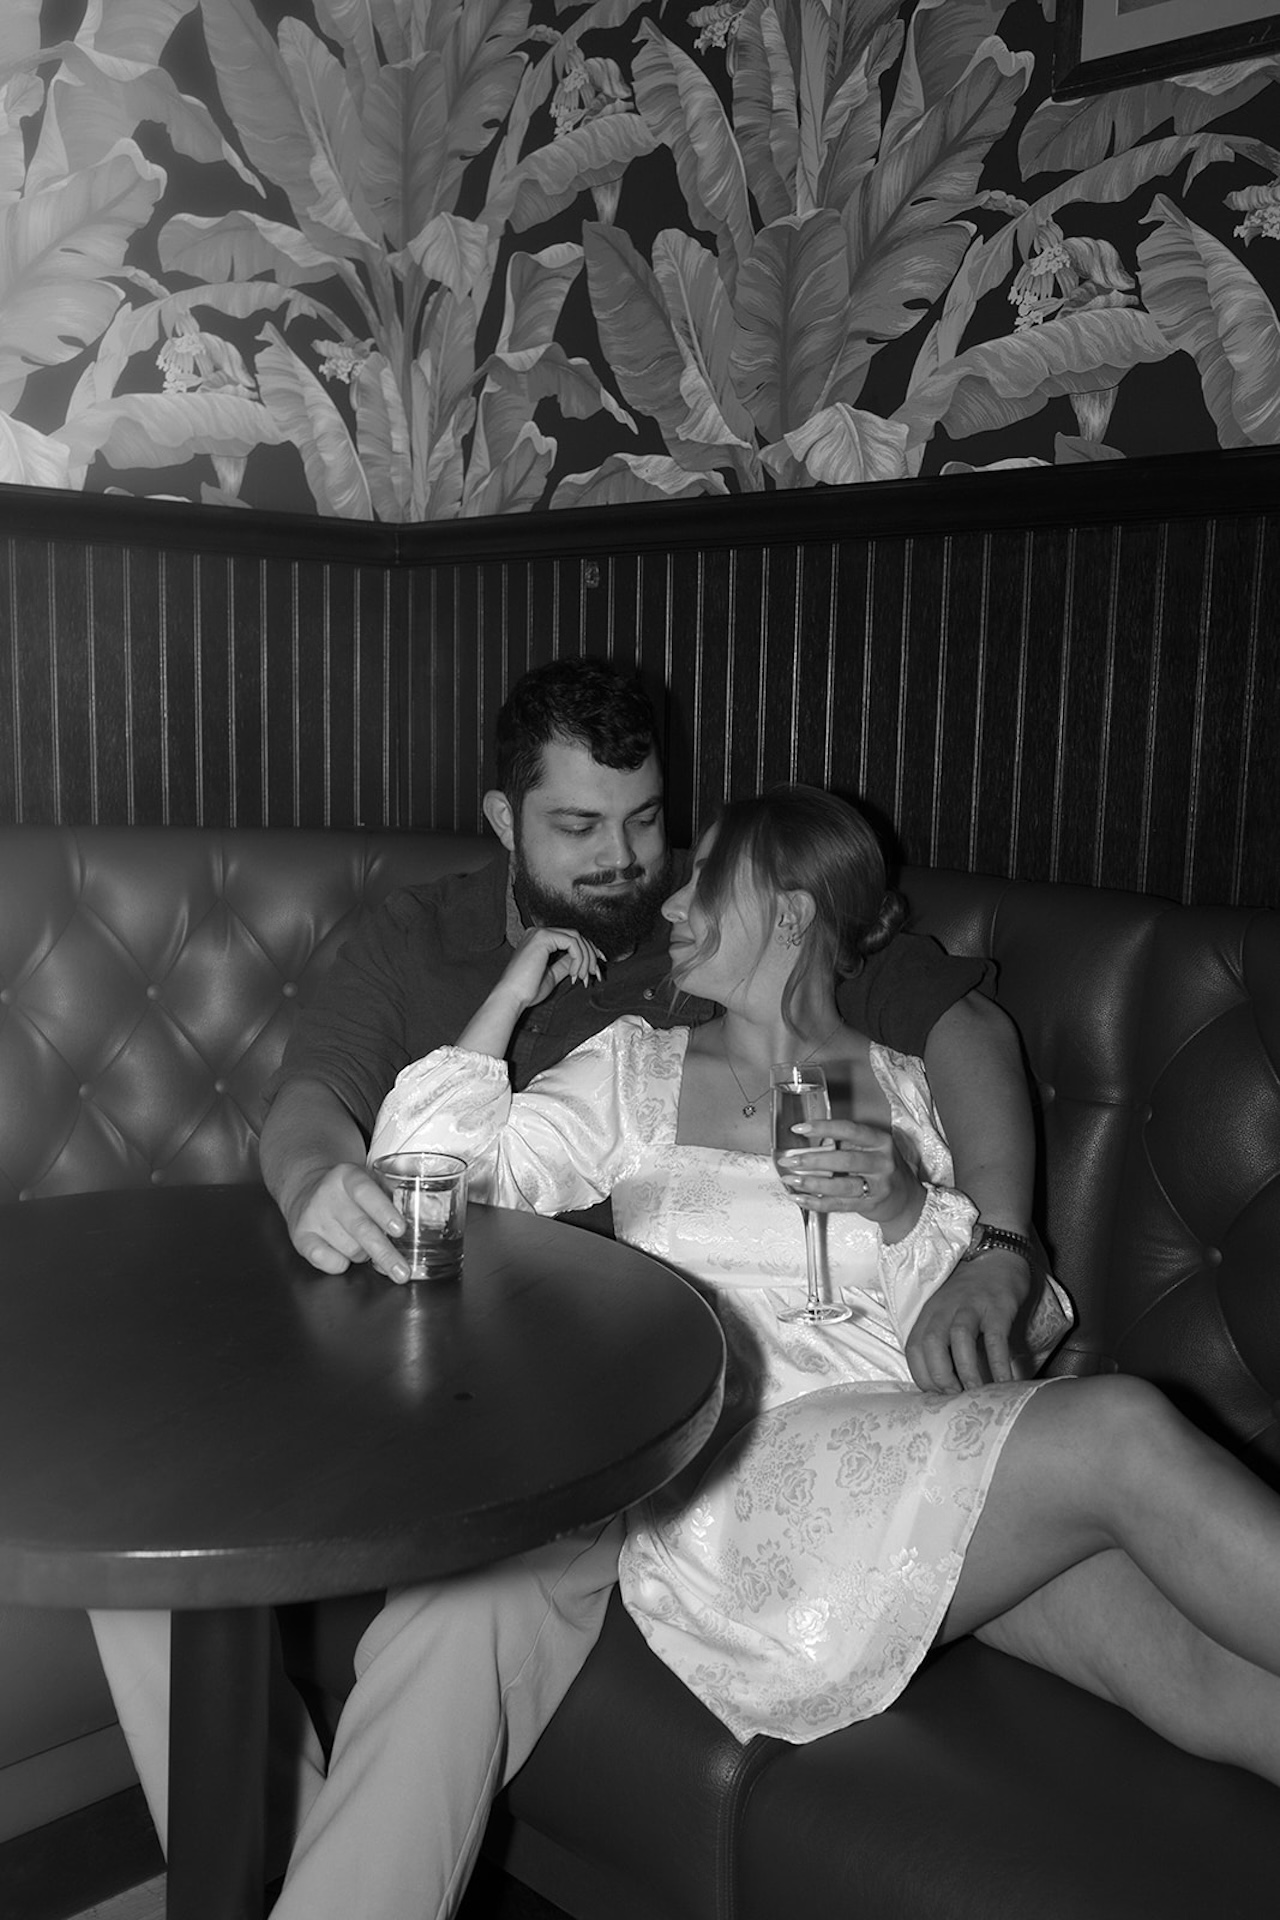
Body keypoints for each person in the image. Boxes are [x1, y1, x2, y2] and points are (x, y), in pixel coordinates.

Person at [89, 660, 1038, 1918]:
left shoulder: (723, 932)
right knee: (138, 1527)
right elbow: (312, 1101)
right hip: (388, 1358)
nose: (623, 861)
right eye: (578, 827)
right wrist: (318, 1178)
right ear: (502, 822)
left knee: (454, 1627)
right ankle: (286, 1878)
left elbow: (960, 1029)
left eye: (647, 823)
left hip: (590, 1426)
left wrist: (999, 1247)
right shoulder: (413, 935)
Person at [369, 784, 1280, 1779]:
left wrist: (902, 1211)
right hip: (729, 1484)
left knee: (1193, 1677)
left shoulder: (898, 1087)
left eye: (703, 884)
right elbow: (425, 1186)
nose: (669, 906)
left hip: (904, 1453)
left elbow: (958, 1346)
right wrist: (510, 995)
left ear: (791, 913)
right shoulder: (630, 1076)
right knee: (1119, 1429)